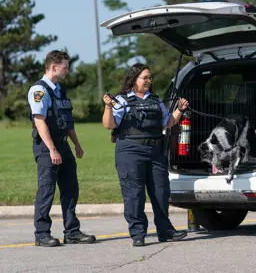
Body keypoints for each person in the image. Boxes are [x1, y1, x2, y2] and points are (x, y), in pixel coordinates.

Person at [102, 63, 189, 247]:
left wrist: (179, 109)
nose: (149, 81)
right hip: (130, 151)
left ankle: (165, 231)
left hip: (155, 151)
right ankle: (138, 233)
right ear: (134, 79)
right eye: (145, 77)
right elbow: (109, 125)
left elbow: (168, 122)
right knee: (135, 194)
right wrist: (108, 107)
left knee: (161, 191)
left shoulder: (156, 101)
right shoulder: (123, 100)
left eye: (150, 78)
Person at [27, 50, 96, 247]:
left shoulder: (59, 90)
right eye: (65, 67)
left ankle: (72, 232)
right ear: (53, 67)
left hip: (63, 145)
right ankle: (41, 234)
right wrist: (52, 150)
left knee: (70, 189)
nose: (67, 70)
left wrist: (76, 144)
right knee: (46, 190)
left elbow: (67, 122)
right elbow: (40, 121)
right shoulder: (39, 90)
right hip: (47, 147)